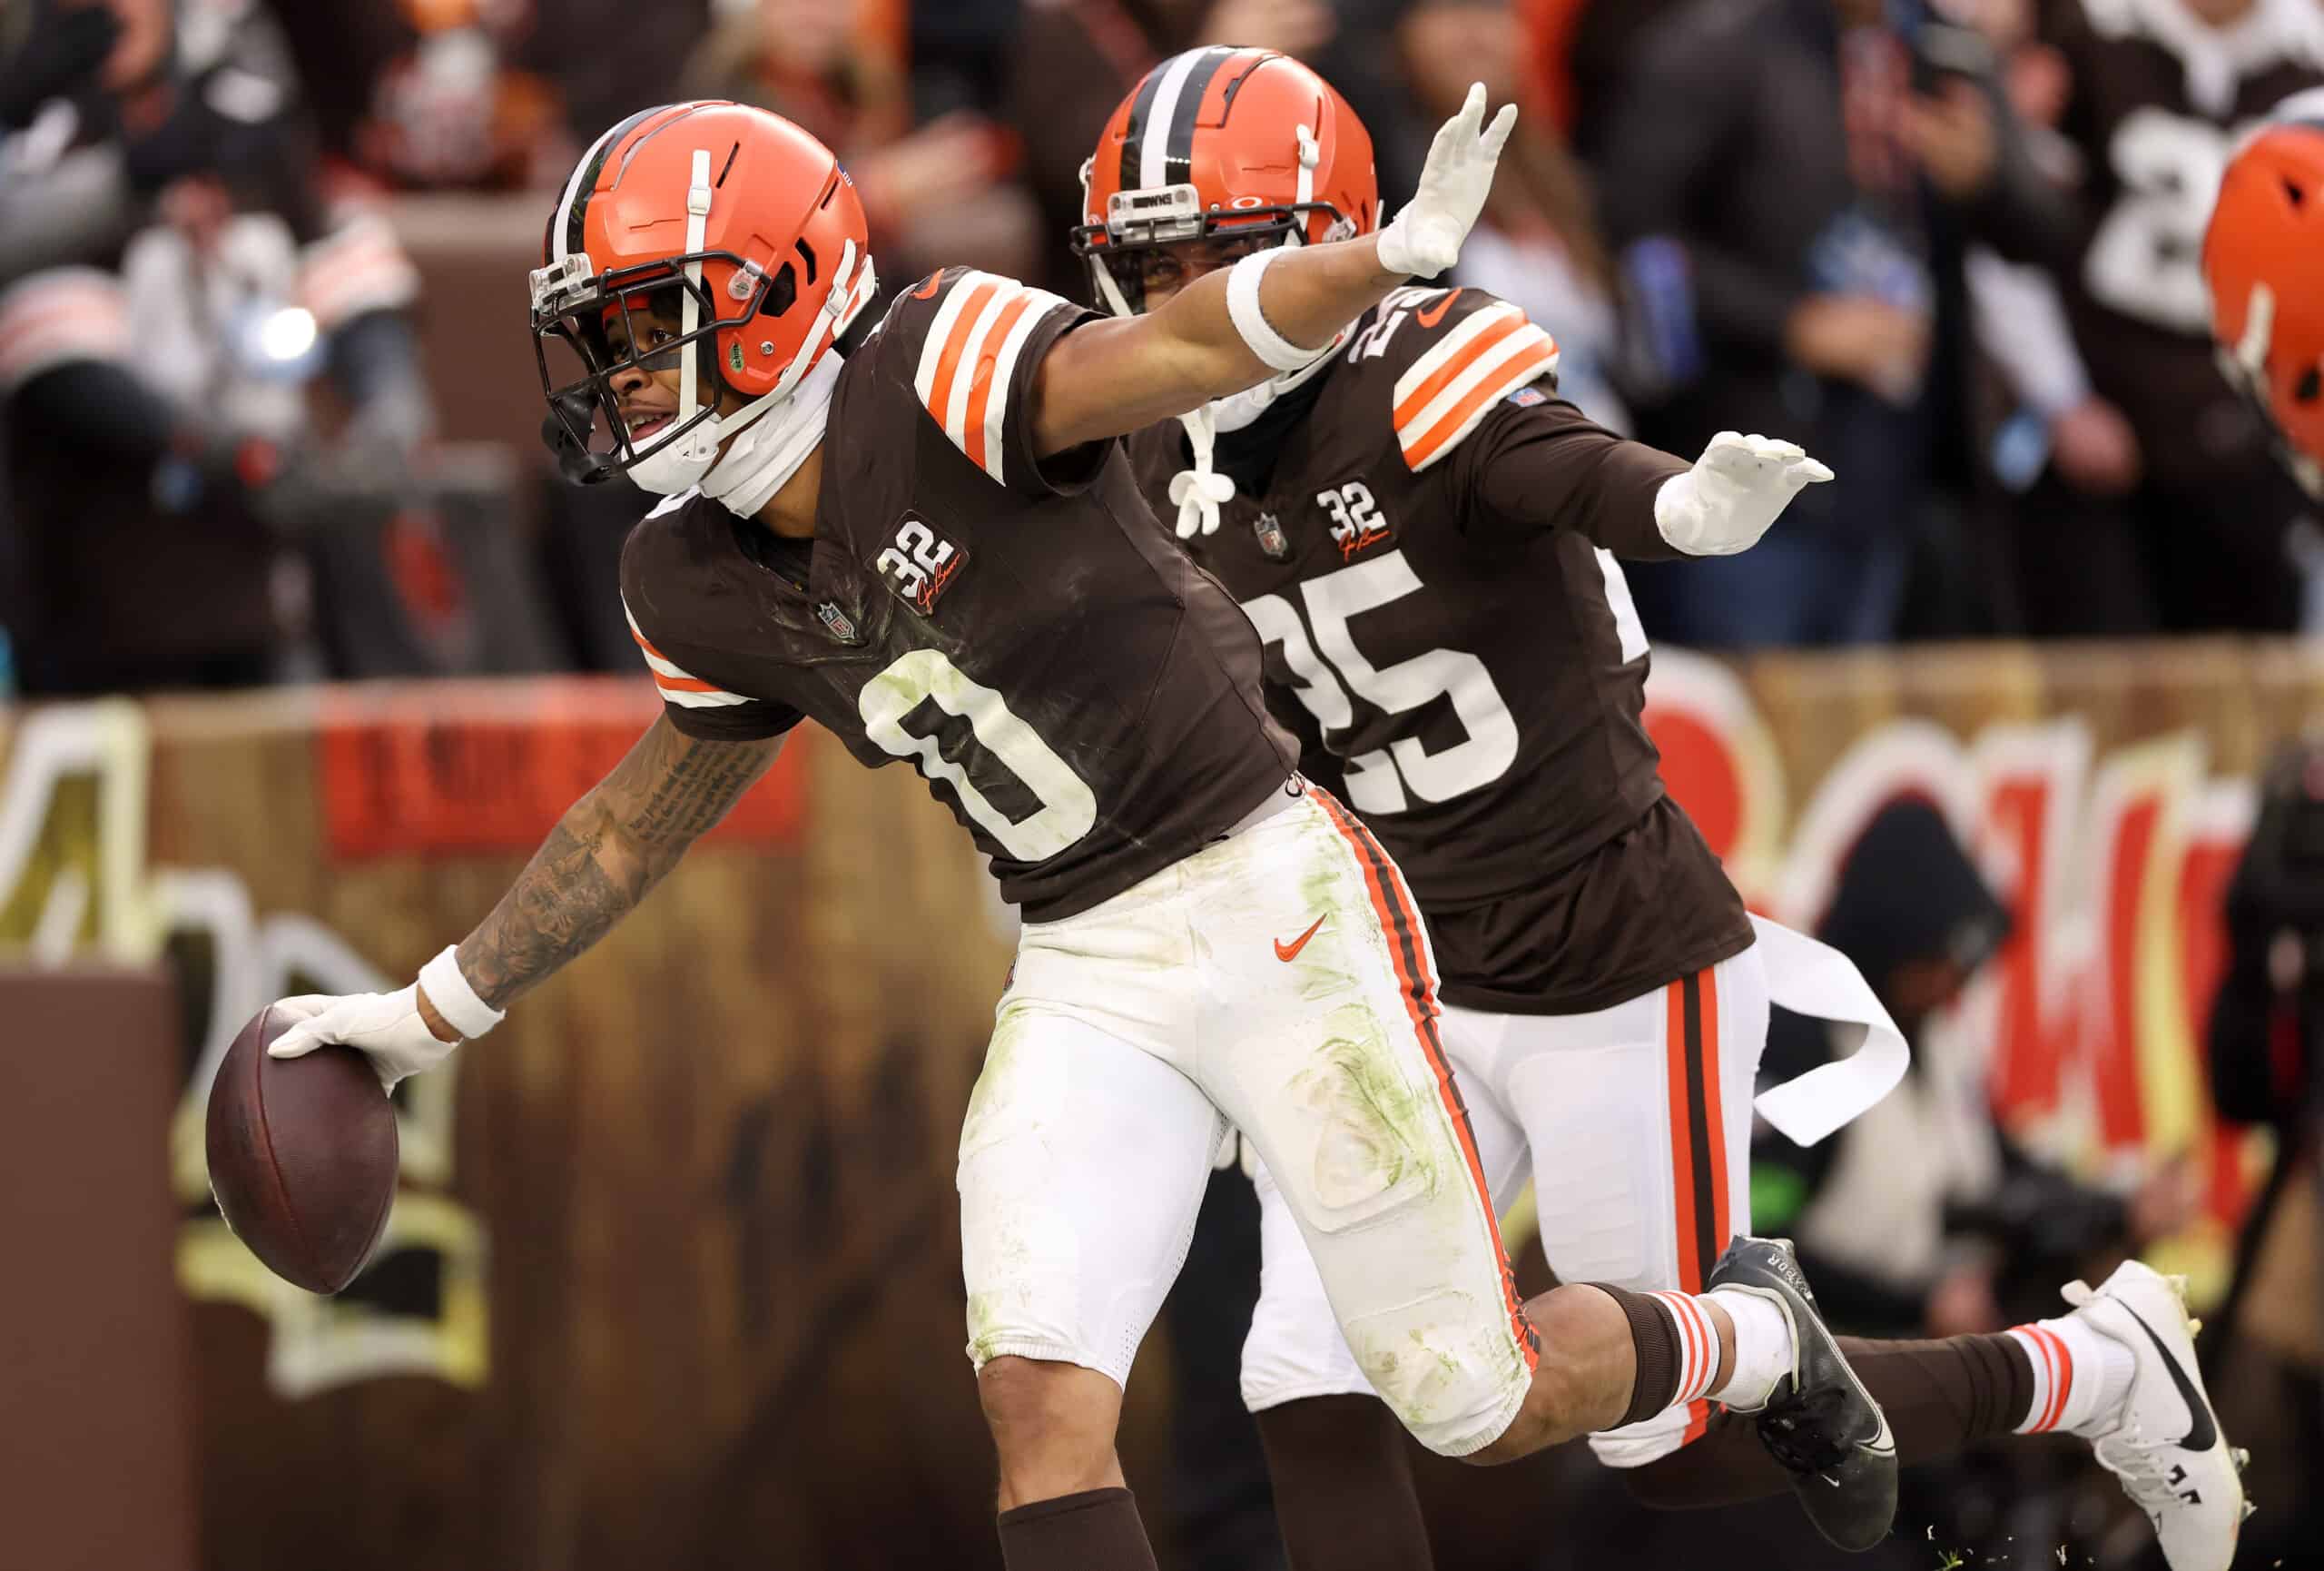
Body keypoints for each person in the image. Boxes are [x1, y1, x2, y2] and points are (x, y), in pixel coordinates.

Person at [249, 93, 1871, 1571]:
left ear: (774, 301)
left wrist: (1376, 258)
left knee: (1469, 1390)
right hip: (1084, 960)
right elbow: (629, 827)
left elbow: (1166, 356)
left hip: (1275, 895)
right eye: (591, 341)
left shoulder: (933, 359)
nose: (611, 381)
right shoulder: (686, 572)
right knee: (1039, 1404)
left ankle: (1753, 1335)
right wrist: (419, 1015)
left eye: (640, 331)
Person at [1077, 46, 2249, 1571]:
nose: (1180, 310)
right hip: (1410, 984)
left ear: (1329, 245)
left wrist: (1678, 503)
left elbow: (1558, 464)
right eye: (1144, 267)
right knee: (1304, 1378)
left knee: (1676, 1455)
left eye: (1212, 261)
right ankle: (1793, 1342)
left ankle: (2095, 1370)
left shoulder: (1426, 364)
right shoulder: (1161, 440)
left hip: (1603, 957)